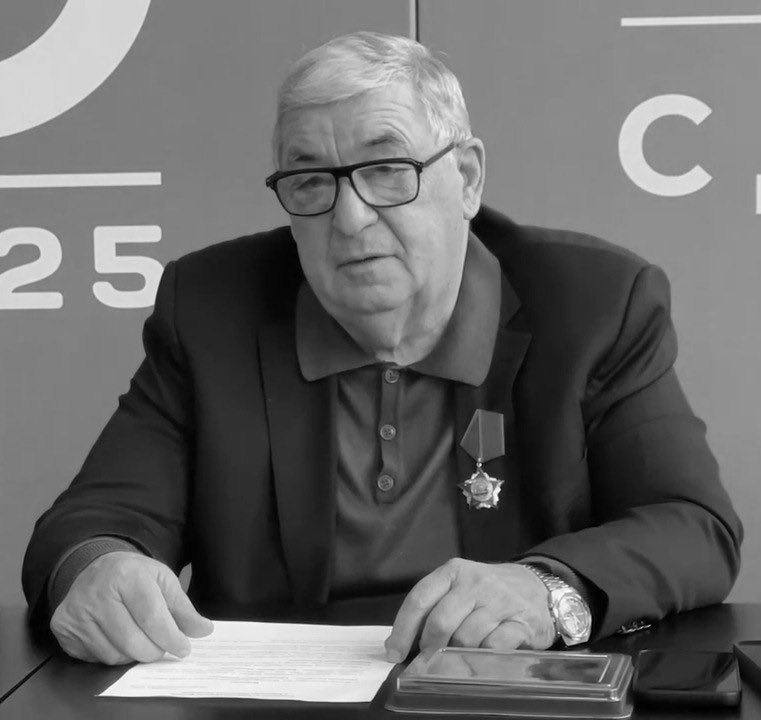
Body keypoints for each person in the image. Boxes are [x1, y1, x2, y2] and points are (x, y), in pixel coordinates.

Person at [22, 31, 742, 666]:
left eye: (387, 169)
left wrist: (546, 588)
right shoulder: (213, 311)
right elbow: (91, 522)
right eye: (311, 180)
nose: (350, 217)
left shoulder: (593, 305)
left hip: (503, 691)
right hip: (268, 701)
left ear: (466, 178)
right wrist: (98, 568)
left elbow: (692, 525)